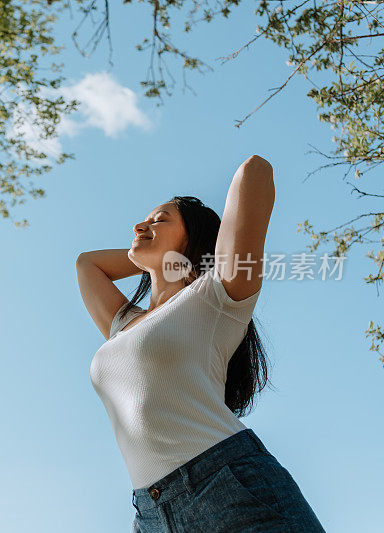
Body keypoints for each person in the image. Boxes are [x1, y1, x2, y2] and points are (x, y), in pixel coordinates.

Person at [75, 156, 325, 532]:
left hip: (227, 487)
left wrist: (192, 257)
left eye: (160, 219)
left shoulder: (215, 295)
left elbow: (254, 171)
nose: (140, 226)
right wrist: (151, 254)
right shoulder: (124, 323)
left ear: (193, 237)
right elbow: (86, 264)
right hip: (151, 512)